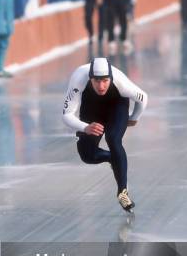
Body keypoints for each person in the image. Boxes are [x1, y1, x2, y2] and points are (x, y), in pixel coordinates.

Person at [62, 57, 148, 212]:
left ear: (111, 78)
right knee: (87, 156)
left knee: (113, 139)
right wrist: (85, 127)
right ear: (90, 78)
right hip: (91, 108)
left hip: (117, 106)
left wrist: (134, 118)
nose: (101, 86)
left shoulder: (121, 82)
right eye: (96, 81)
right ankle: (113, 159)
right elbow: (67, 114)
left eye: (105, 81)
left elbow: (143, 98)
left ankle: (122, 191)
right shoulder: (78, 78)